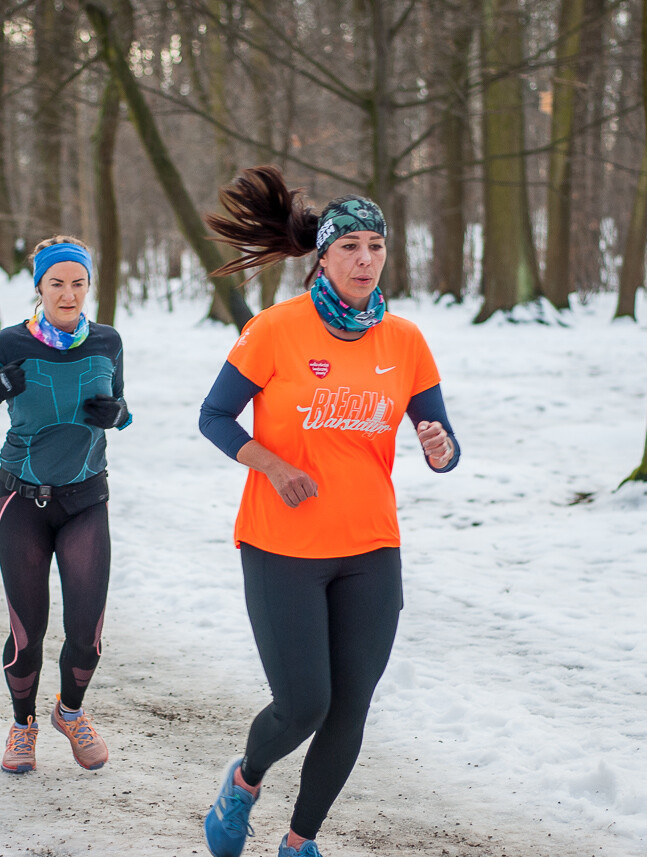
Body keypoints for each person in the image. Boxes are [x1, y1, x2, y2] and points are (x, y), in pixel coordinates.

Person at [197, 166, 460, 857]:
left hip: (370, 548)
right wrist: (273, 464)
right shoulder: (276, 329)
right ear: (323, 256)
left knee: (350, 707)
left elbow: (441, 438)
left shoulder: (405, 341)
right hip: (281, 547)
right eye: (350, 247)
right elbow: (214, 416)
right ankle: (245, 780)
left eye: (376, 246)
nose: (365, 259)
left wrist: (440, 447)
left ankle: (299, 840)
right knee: (304, 704)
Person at [0, 235, 131, 774]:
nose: (68, 294)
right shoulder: (10, 343)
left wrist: (117, 414)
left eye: (78, 283)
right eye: (57, 283)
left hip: (85, 498)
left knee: (87, 635)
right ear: (39, 287)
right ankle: (23, 725)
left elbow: (121, 408)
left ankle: (70, 713)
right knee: (27, 632)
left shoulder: (107, 341)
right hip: (21, 499)